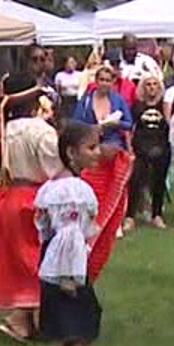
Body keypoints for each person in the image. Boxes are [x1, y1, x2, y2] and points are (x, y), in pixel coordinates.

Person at [28, 122, 106, 346]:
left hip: (52, 259)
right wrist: (68, 277)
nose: (97, 153)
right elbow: (71, 236)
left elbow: (43, 227)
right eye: (91, 148)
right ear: (71, 153)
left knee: (76, 328)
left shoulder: (50, 188)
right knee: (85, 328)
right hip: (66, 266)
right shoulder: (75, 191)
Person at [0, 75, 59, 341]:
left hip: (6, 198)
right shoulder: (40, 131)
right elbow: (54, 168)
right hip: (35, 198)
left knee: (18, 260)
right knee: (39, 259)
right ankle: (29, 317)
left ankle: (25, 321)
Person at [70, 62, 137, 264]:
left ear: (113, 83)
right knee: (92, 183)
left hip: (112, 144)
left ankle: (113, 220)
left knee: (114, 183)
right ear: (96, 81)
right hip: (91, 142)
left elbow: (129, 122)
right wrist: (93, 128)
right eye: (101, 79)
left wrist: (115, 124)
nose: (105, 83)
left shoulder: (118, 100)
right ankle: (90, 218)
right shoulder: (86, 100)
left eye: (109, 80)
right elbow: (76, 121)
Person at [130, 73, 172, 230]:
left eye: (155, 84)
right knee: (135, 180)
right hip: (140, 148)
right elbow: (131, 128)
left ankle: (157, 215)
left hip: (161, 147)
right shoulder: (137, 106)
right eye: (148, 84)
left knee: (158, 182)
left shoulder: (164, 106)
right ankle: (130, 216)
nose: (152, 87)